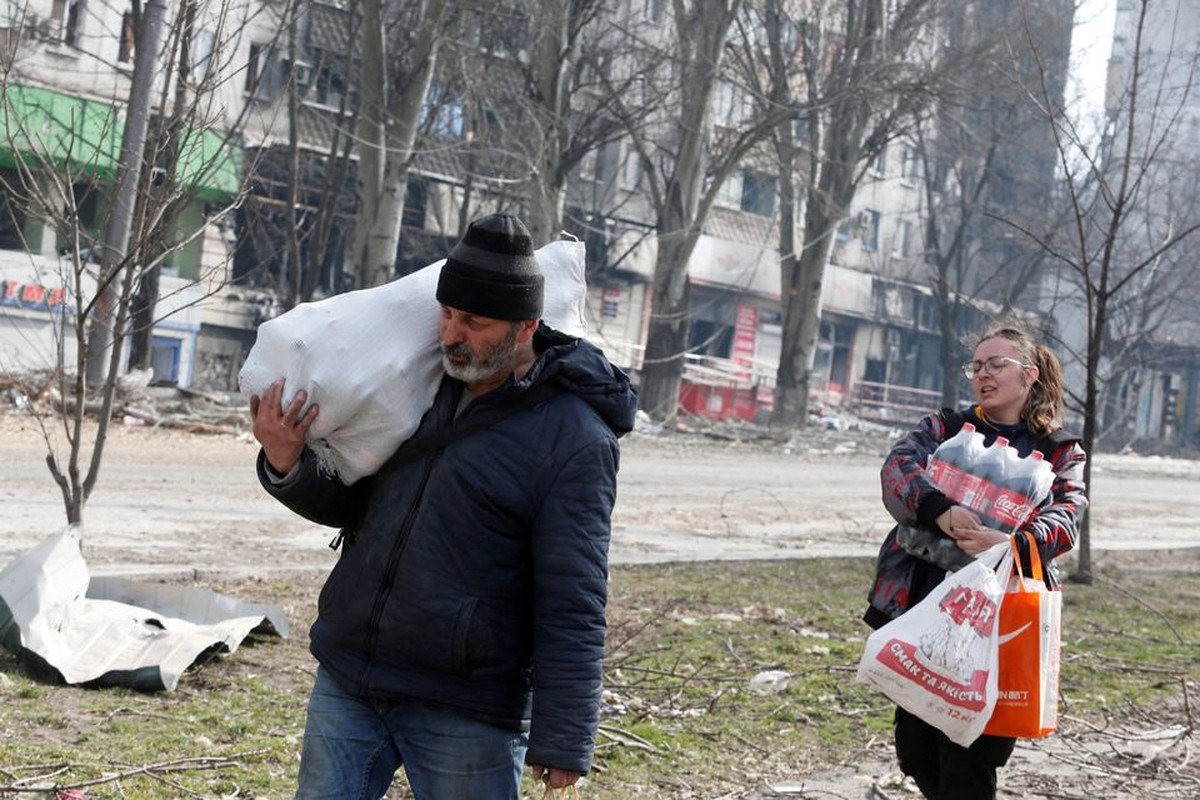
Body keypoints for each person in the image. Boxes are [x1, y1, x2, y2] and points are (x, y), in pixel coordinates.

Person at [248, 213, 639, 800]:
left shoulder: (575, 438)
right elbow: (355, 510)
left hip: (466, 704)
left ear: (527, 324)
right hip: (354, 672)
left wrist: (565, 736)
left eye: (475, 323)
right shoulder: (414, 389)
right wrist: (287, 464)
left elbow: (573, 596)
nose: (453, 335)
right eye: (448, 315)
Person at [864, 321, 1088, 800]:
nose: (983, 374)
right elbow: (897, 467)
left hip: (1001, 624)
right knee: (916, 749)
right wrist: (941, 513)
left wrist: (1007, 545)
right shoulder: (945, 428)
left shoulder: (1058, 449)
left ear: (1029, 375)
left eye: (996, 364)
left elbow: (1067, 517)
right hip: (923, 611)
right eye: (977, 365)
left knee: (970, 757)